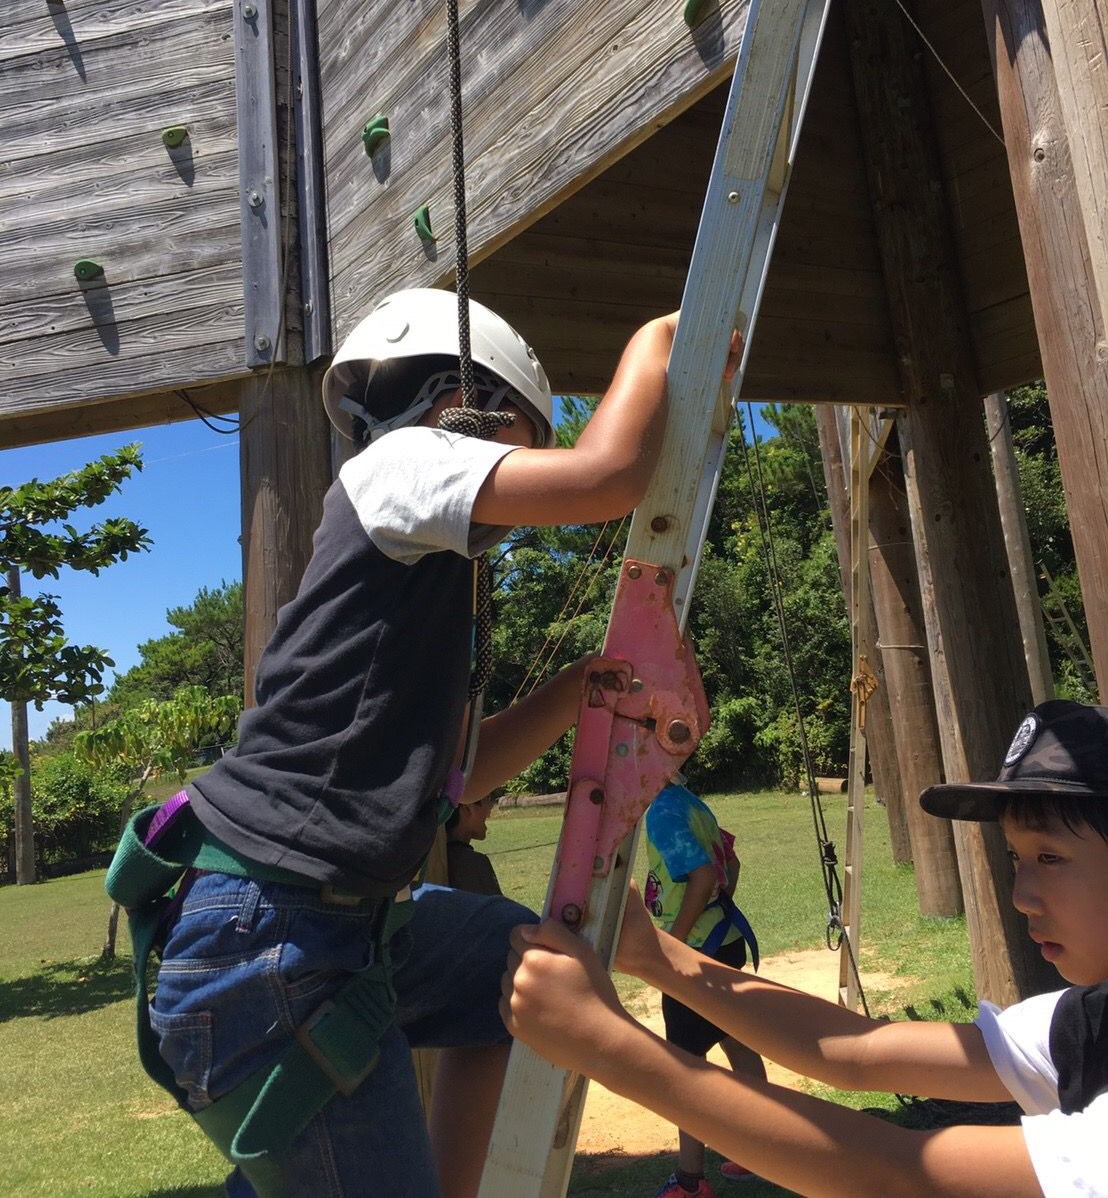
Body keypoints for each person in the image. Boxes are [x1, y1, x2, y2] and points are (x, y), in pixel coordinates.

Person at [123, 288, 721, 1198]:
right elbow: (607, 475)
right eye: (521, 440)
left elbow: (462, 774)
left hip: (321, 924)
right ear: (463, 401)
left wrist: (576, 690)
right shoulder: (402, 464)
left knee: (517, 971)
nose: (522, 483)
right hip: (272, 930)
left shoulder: (427, 569)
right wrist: (664, 336)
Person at [502, 698, 1108, 1198]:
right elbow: (859, 1053)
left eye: (1050, 857)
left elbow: (897, 1174)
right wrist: (651, 953)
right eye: (1015, 858)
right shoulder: (1089, 1020)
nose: (1021, 894)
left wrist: (605, 1046)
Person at [643, 778, 766, 1195]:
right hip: (725, 942)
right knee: (739, 1042)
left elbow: (700, 876)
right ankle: (760, 1152)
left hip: (697, 955)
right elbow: (730, 867)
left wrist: (672, 945)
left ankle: (690, 1182)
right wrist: (719, 905)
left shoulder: (661, 812)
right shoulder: (689, 802)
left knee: (685, 1068)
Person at [446, 793, 502, 896]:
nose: (490, 806)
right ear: (467, 807)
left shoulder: (435, 858)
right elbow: (496, 911)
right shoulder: (472, 863)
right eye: (487, 798)